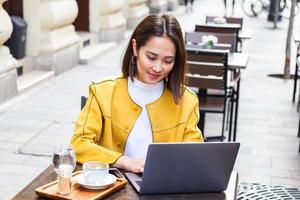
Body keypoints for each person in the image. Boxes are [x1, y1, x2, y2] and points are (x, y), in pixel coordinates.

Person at [71, 14, 203, 174]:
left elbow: (195, 155)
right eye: (151, 57)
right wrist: (124, 161)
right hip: (112, 188)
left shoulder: (187, 100)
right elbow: (79, 144)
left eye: (168, 61)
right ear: (135, 47)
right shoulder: (103, 92)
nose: (158, 68)